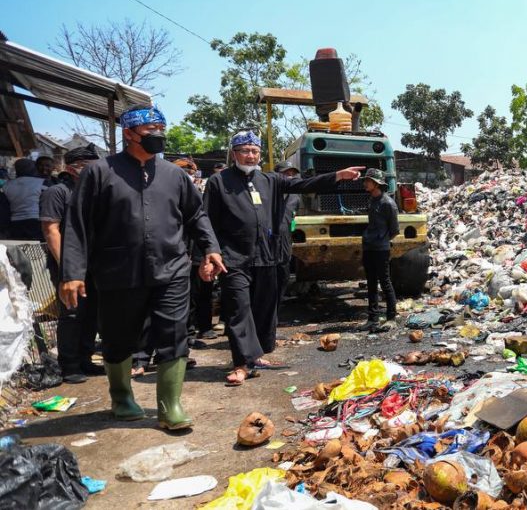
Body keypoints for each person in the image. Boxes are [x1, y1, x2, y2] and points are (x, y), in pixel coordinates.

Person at [60, 104, 225, 430]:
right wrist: (72, 273)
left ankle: (170, 407)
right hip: (118, 272)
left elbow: (195, 215)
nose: (158, 137)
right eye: (151, 132)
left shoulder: (175, 175)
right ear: (129, 134)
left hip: (172, 270)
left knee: (174, 334)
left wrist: (211, 248)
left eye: (161, 130)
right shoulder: (99, 172)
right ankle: (122, 398)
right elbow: (77, 224)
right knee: (118, 338)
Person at [204, 130, 363, 386]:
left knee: (264, 308)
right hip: (234, 258)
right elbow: (207, 220)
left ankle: (257, 354)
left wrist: (337, 176)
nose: (251, 155)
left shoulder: (271, 180)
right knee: (238, 309)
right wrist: (208, 253)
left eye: (255, 151)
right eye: (245, 150)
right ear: (234, 153)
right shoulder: (218, 183)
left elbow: (303, 184)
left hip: (266, 256)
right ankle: (242, 363)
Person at [40, 144, 103, 383]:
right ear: (71, 168)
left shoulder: (92, 192)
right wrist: (67, 266)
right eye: (86, 167)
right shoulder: (57, 192)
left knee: (92, 312)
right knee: (72, 314)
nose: (91, 171)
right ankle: (70, 365)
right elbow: (51, 229)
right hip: (67, 265)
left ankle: (85, 359)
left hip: (93, 264)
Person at [174, 158, 218, 341]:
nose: (189, 176)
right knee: (184, 297)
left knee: (203, 292)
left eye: (191, 172)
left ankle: (203, 327)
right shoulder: (169, 195)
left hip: (200, 253)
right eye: (185, 172)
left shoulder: (201, 195)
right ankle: (187, 332)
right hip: (178, 255)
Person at [361, 168, 400, 333]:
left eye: (367, 181)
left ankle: (391, 318)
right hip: (369, 247)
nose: (365, 183)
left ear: (376, 183)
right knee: (370, 283)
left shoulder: (388, 203)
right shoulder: (371, 200)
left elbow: (395, 230)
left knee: (385, 281)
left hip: (381, 249)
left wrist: (382, 240)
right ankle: (372, 318)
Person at [274, 161, 302, 302]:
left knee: (284, 275)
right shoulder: (269, 194)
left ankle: (277, 302)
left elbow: (293, 217)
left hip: (285, 240)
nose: (290, 177)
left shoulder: (295, 197)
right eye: (286, 173)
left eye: (292, 174)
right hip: (269, 240)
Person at [5, 159, 47, 240]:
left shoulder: (7, 186)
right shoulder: (43, 182)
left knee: (19, 249)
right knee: (38, 248)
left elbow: (5, 208)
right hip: (37, 221)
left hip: (15, 223)